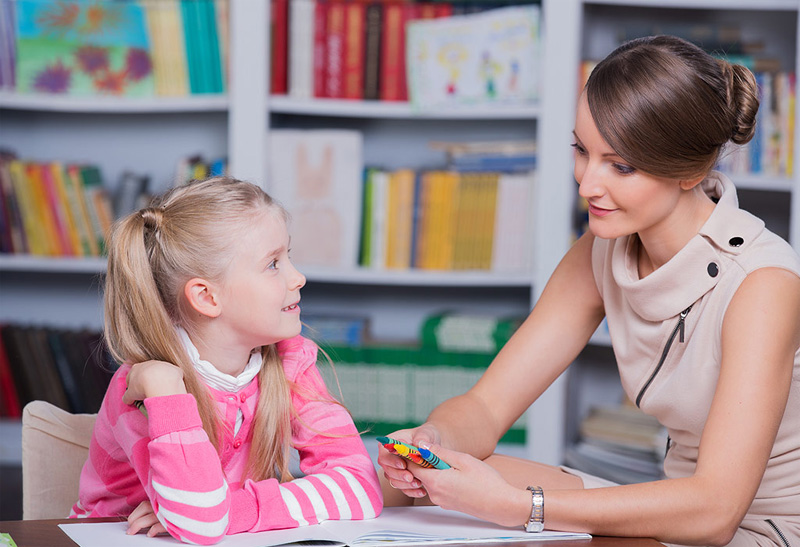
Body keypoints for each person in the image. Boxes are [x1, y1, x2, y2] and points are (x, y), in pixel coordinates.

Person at [379, 35, 800, 547]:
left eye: (620, 166)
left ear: (690, 171)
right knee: (422, 484)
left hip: (755, 530)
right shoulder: (604, 248)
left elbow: (714, 511)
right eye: (581, 150)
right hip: (674, 515)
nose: (586, 184)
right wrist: (433, 441)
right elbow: (487, 408)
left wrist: (521, 508)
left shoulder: (763, 283)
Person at [71, 177, 382, 544]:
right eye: (272, 264)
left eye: (288, 257)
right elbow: (202, 525)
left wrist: (232, 509)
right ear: (206, 297)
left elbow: (361, 486)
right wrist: (165, 392)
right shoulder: (145, 387)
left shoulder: (290, 360)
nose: (297, 277)